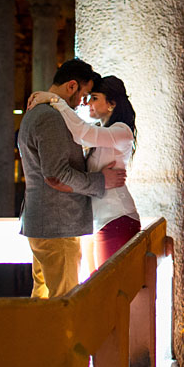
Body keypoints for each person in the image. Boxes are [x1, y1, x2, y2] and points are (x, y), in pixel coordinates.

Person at [17, 59, 126, 298]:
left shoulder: (39, 112)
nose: (82, 102)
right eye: (84, 94)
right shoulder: (50, 118)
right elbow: (57, 175)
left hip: (45, 223)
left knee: (44, 301)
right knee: (64, 304)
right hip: (57, 225)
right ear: (72, 86)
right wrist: (101, 181)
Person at [29, 75, 141, 268]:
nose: (88, 103)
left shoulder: (122, 131)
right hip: (100, 220)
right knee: (97, 287)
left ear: (111, 103)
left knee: (109, 288)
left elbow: (82, 133)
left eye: (95, 98)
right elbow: (82, 131)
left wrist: (55, 101)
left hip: (116, 217)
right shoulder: (103, 132)